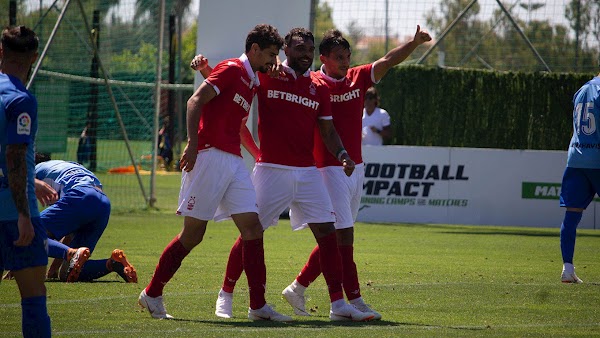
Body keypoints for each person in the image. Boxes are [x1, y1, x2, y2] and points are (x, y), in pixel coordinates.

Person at [194, 27, 374, 322]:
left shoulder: (320, 87)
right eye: (299, 49)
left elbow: (327, 129)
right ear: (286, 50)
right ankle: (225, 293)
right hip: (271, 169)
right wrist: (207, 71)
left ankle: (338, 305)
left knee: (329, 232)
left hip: (307, 172)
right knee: (252, 233)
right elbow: (232, 86)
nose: (305, 55)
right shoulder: (268, 73)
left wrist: (342, 154)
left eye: (309, 50)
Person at [138, 24, 291, 322]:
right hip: (208, 156)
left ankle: (258, 306)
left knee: (253, 228)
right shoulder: (233, 68)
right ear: (255, 50)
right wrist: (192, 144)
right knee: (193, 234)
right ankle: (152, 293)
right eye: (271, 54)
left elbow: (230, 107)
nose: (273, 61)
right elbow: (194, 100)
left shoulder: (251, 78)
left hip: (232, 160)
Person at [279, 27, 431, 319]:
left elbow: (387, 60)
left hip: (355, 168)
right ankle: (353, 301)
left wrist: (412, 43)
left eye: (348, 56)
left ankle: (297, 288)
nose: (346, 62)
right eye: (339, 57)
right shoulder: (313, 82)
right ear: (323, 58)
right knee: (344, 237)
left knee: (337, 237)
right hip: (328, 168)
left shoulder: (357, 78)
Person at [0, 25, 52, 338]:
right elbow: (15, 158)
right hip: (13, 212)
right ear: (33, 58)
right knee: (33, 299)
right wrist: (23, 214)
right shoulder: (21, 100)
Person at [33, 155, 137, 283]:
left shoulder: (34, 172)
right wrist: (54, 268)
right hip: (103, 203)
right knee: (68, 272)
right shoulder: (71, 166)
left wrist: (19, 268)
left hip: (80, 195)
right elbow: (69, 233)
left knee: (30, 232)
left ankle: (72, 253)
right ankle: (112, 263)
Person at [558, 70, 600, 284]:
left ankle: (567, 269)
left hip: (576, 159)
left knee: (571, 216)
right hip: (598, 160)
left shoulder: (582, 90)